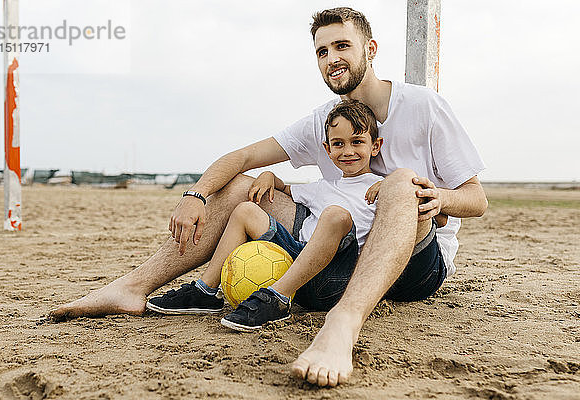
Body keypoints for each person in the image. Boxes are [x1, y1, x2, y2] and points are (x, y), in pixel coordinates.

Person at [50, 7, 487, 387]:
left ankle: (342, 326)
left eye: (342, 46)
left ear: (370, 49)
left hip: (414, 260)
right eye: (321, 52)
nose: (332, 59)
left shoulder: (422, 106)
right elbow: (243, 156)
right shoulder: (325, 122)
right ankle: (133, 287)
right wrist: (196, 193)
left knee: (401, 180)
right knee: (247, 184)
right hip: (339, 254)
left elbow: (477, 199)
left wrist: (440, 200)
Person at [147, 99, 384, 332]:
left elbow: (406, 204)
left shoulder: (382, 187)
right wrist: (269, 175)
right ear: (327, 149)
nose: (348, 151)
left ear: (375, 146)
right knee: (245, 211)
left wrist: (390, 185)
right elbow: (286, 189)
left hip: (334, 279)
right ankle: (205, 291)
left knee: (336, 216)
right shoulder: (324, 186)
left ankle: (278, 299)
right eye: (339, 144)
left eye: (357, 142)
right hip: (296, 261)